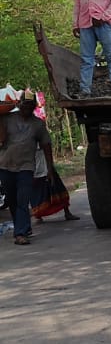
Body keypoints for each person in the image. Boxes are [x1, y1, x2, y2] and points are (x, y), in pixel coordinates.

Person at [0, 90, 56, 245]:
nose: (28, 107)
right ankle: (22, 226)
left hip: (26, 167)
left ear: (34, 107)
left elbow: (46, 145)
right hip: (5, 165)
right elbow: (1, 137)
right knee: (12, 200)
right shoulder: (7, 119)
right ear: (19, 104)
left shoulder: (38, 124)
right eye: (25, 104)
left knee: (22, 200)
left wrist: (49, 168)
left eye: (31, 105)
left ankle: (21, 233)